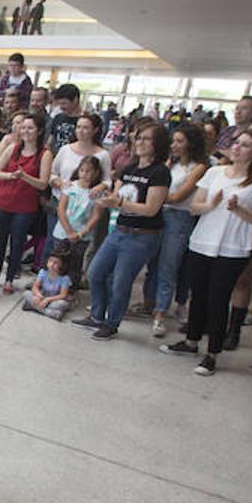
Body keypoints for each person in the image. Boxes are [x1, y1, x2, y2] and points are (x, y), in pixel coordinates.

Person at [159, 128, 252, 376]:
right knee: (198, 294)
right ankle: (191, 342)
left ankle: (212, 353)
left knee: (218, 299)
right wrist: (211, 204)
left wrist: (239, 209)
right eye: (236, 143)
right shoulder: (215, 172)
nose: (236, 147)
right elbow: (195, 207)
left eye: (245, 145)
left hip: (233, 248)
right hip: (202, 241)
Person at [73, 122, 170, 340]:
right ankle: (97, 315)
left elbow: (151, 209)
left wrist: (120, 203)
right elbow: (116, 195)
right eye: (139, 138)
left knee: (120, 281)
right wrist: (106, 200)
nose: (140, 142)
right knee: (95, 272)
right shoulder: (130, 168)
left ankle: (112, 323)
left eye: (146, 139)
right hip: (119, 230)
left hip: (141, 236)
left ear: (158, 144)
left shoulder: (159, 172)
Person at [146, 124, 209, 337]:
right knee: (153, 263)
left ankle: (160, 313)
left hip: (180, 218)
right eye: (173, 141)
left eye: (180, 141)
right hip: (159, 214)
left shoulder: (198, 167)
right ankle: (150, 303)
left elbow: (178, 196)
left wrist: (155, 195)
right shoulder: (169, 163)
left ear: (191, 144)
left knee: (168, 266)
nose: (174, 145)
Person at [0, 112, 51, 294]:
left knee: (17, 243)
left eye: (30, 128)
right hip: (3, 202)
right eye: (23, 127)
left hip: (24, 207)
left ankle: (9, 279)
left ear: (39, 131)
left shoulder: (44, 154)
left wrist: (24, 176)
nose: (25, 131)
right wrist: (11, 176)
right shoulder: (13, 148)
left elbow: (43, 183)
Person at [51, 155, 103, 286]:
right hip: (63, 232)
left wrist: (81, 233)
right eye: (82, 170)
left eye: (88, 171)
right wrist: (69, 231)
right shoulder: (70, 187)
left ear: (96, 172)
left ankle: (71, 289)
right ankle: (55, 287)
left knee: (76, 263)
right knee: (58, 261)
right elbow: (61, 209)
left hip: (82, 235)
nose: (84, 174)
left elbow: (96, 216)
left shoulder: (96, 193)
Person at [22, 253, 73, 320]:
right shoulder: (43, 272)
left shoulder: (65, 278)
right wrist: (38, 295)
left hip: (54, 300)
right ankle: (50, 313)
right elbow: (35, 287)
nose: (51, 264)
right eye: (50, 261)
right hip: (42, 296)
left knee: (62, 304)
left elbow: (63, 295)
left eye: (56, 263)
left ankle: (33, 307)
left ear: (62, 265)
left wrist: (47, 300)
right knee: (26, 293)